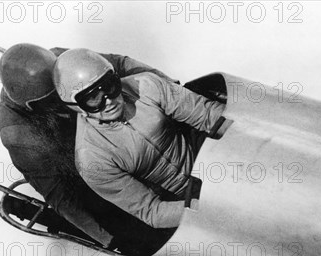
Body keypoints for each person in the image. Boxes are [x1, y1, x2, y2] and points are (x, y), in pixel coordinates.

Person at [0, 43, 176, 256]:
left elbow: (119, 64)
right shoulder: (17, 134)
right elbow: (60, 196)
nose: (66, 99)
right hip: (82, 167)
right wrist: (108, 240)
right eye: (54, 97)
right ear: (32, 107)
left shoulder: (63, 61)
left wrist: (171, 87)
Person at [52, 48, 226, 229]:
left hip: (213, 160)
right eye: (93, 98)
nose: (109, 101)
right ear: (76, 107)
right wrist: (208, 209)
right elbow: (152, 212)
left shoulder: (146, 85)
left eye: (110, 87)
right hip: (183, 200)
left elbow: (211, 116)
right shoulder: (91, 158)